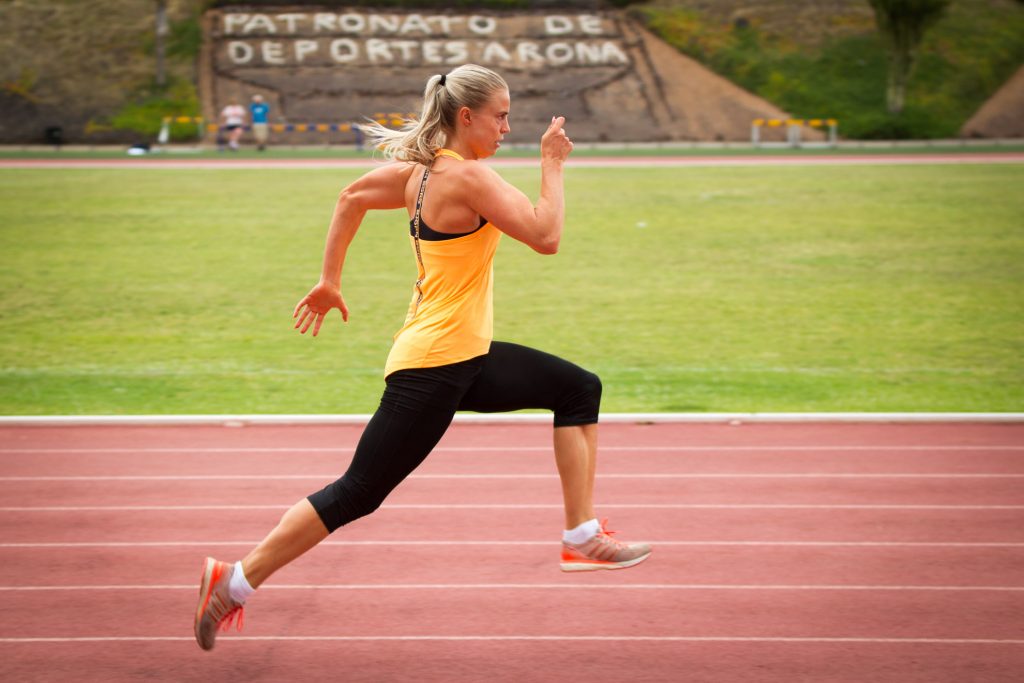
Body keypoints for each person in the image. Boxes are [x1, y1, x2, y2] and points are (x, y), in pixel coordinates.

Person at [193, 64, 652, 651]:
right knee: (358, 492)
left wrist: (330, 280)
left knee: (578, 388)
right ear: (467, 117)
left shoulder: (422, 174)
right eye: (501, 115)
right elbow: (547, 235)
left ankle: (582, 534)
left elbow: (352, 194)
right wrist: (554, 165)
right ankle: (232, 581)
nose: (507, 126)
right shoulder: (469, 180)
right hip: (436, 365)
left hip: (464, 355)